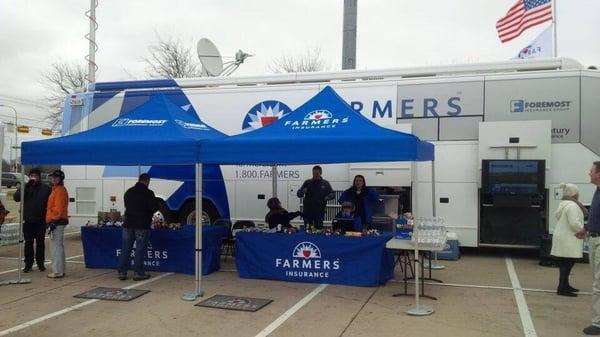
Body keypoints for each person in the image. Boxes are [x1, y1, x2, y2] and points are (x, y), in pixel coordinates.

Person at [118, 173, 158, 281]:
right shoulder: (148, 193)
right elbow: (153, 208)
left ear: (139, 180)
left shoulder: (129, 192)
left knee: (126, 248)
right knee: (139, 249)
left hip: (128, 224)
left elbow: (127, 206)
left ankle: (122, 272)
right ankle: (138, 273)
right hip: (142, 224)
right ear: (147, 181)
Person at [551, 183, 586, 297]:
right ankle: (562, 288)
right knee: (567, 263)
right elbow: (574, 223)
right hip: (569, 238)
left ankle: (565, 285)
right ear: (574, 194)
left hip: (562, 238)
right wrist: (584, 229)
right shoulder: (573, 206)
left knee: (565, 264)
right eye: (577, 192)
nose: (579, 194)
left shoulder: (564, 204)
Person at [13, 168, 51, 273]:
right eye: (31, 175)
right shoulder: (26, 187)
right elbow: (16, 198)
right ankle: (28, 264)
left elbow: (50, 203)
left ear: (39, 177)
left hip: (40, 220)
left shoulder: (45, 188)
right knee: (28, 243)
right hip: (28, 220)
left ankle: (40, 263)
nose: (33, 177)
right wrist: (25, 186)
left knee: (40, 243)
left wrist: (49, 219)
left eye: (36, 175)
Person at [580, 161, 600, 335]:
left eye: (591, 171)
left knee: (599, 284)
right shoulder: (597, 191)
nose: (589, 173)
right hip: (594, 239)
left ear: (599, 174)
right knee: (596, 281)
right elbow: (595, 214)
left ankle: (597, 323)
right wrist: (586, 229)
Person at [46, 170, 69, 278]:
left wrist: (53, 221)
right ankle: (60, 269)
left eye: (56, 177)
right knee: (58, 246)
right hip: (57, 220)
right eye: (53, 177)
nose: (53, 179)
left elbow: (58, 208)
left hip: (57, 221)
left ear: (60, 179)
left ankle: (57, 271)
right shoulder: (56, 190)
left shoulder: (59, 191)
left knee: (55, 246)